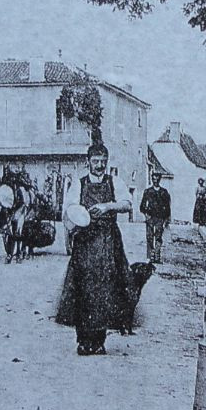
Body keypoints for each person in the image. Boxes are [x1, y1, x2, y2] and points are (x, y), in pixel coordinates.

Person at [56, 143, 131, 355]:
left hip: (108, 242)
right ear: (87, 162)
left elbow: (127, 204)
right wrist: (79, 218)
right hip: (86, 242)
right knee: (83, 288)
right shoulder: (79, 185)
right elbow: (69, 209)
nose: (99, 166)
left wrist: (108, 206)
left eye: (103, 162)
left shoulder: (114, 181)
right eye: (95, 162)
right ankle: (83, 340)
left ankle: (99, 341)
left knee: (106, 289)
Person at [139, 172, 172, 263]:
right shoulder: (148, 191)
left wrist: (166, 219)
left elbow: (168, 206)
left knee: (158, 237)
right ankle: (150, 256)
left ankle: (157, 256)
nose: (155, 181)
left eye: (157, 179)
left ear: (159, 179)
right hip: (150, 217)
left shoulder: (164, 192)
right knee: (149, 237)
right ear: (152, 180)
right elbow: (142, 206)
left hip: (160, 218)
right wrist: (146, 215)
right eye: (153, 179)